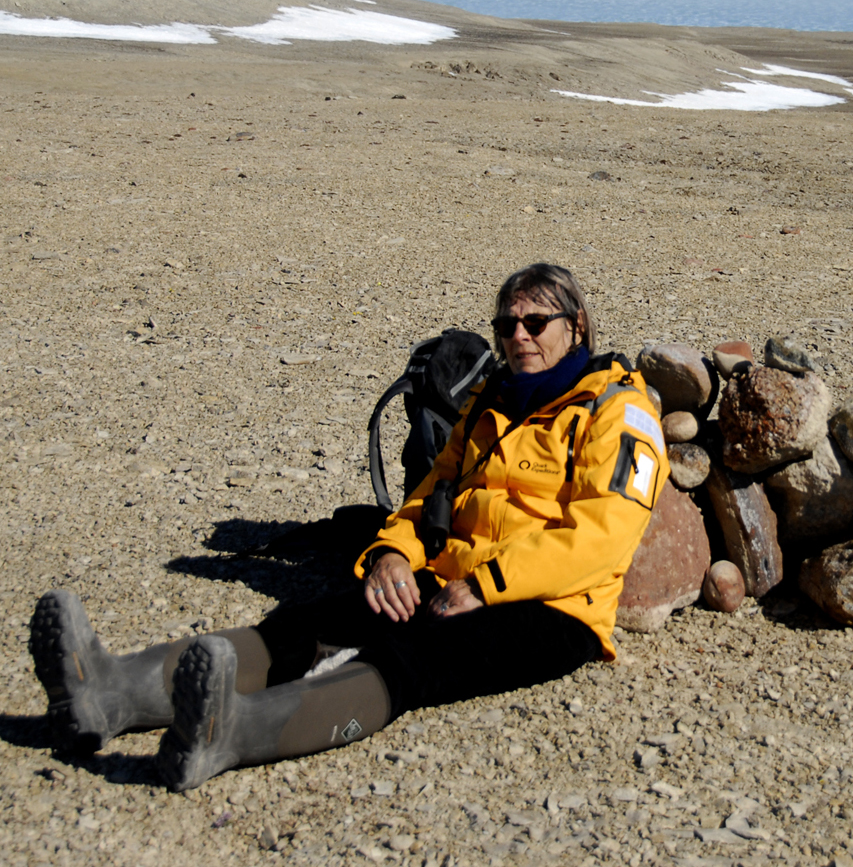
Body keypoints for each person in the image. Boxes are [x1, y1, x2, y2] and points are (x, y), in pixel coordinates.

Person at [29, 263, 668, 792]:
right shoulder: (488, 405)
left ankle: (233, 734)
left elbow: (600, 539)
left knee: (408, 659)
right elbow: (429, 498)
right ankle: (111, 692)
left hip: (555, 609)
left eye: (535, 323)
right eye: (506, 325)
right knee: (311, 625)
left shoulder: (618, 411)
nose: (517, 337)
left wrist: (488, 584)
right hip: (449, 577)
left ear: (576, 326)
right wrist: (390, 554)